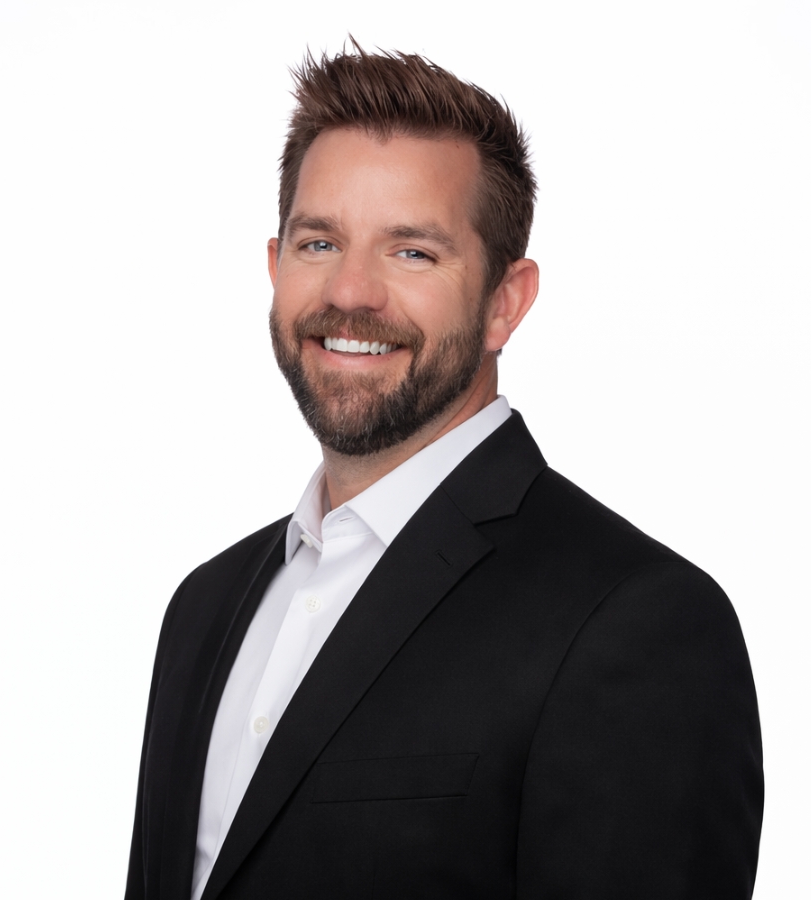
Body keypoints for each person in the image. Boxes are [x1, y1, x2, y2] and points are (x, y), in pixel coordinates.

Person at [125, 44, 763, 900]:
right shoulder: (204, 607)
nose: (350, 291)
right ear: (275, 268)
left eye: (413, 253)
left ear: (505, 301)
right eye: (320, 242)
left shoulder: (637, 624)